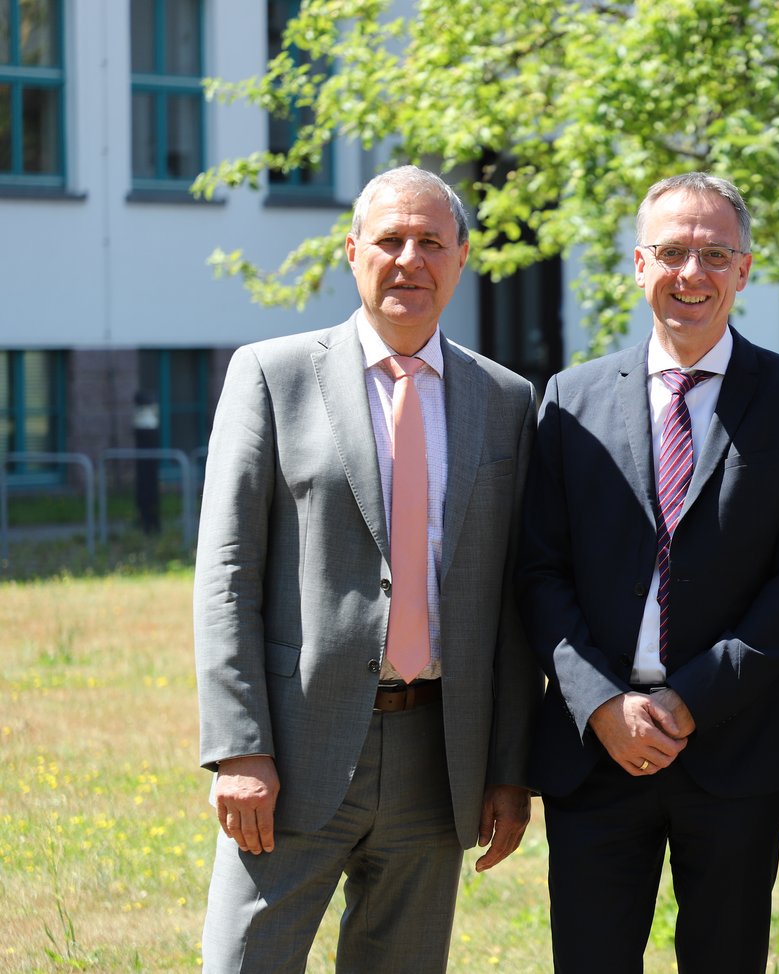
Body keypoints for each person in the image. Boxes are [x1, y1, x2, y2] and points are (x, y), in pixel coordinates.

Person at [194, 165, 540, 973]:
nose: (408, 259)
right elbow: (227, 576)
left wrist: (508, 768)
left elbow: (514, 605)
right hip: (294, 748)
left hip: (439, 757)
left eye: (431, 242)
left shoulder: (507, 399)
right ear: (353, 253)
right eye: (389, 240)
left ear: (461, 260)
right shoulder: (272, 375)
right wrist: (240, 748)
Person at [517, 172, 779, 974]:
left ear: (745, 268)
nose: (691, 273)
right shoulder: (568, 399)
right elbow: (538, 574)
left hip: (735, 743)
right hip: (597, 752)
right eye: (671, 252)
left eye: (713, 254)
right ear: (637, 263)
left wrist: (689, 700)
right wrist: (601, 706)